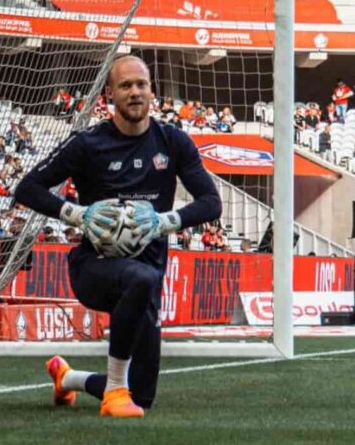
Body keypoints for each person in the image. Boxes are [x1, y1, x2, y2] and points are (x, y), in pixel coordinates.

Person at [14, 55, 222, 418]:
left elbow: (211, 203)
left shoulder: (173, 142)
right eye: (125, 86)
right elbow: (27, 187)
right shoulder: (88, 143)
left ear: (152, 91)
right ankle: (113, 395)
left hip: (148, 270)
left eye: (141, 84)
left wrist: (162, 222)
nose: (135, 92)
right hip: (95, 267)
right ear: (110, 94)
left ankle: (68, 378)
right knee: (139, 279)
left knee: (142, 395)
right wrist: (78, 214)